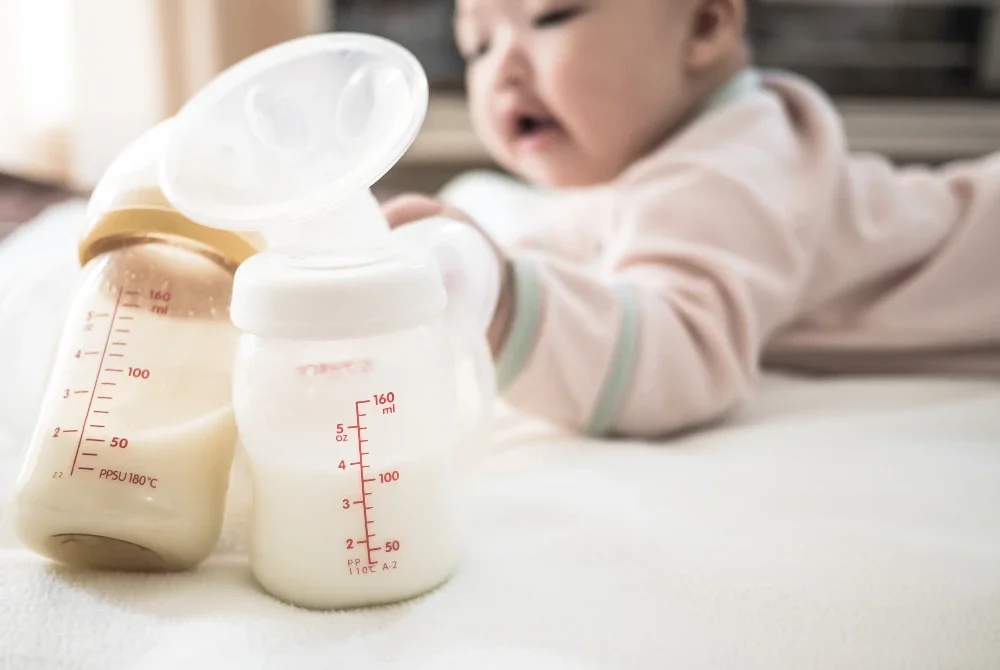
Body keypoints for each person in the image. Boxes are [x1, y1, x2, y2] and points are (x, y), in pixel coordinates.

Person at [382, 0, 1000, 438]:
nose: (501, 71)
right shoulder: (660, 163)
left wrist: (507, 302)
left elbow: (678, 352)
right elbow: (588, 236)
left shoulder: (728, 165)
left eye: (551, 15)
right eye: (478, 46)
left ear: (703, 25)